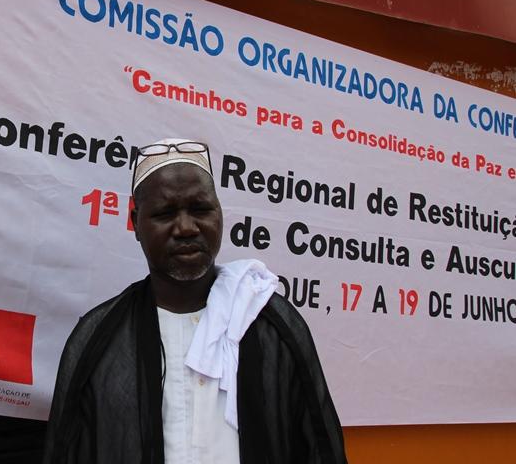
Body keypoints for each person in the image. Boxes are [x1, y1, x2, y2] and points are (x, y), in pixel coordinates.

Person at [43, 139, 347, 464]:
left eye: (201, 209)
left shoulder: (273, 324)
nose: (186, 228)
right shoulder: (98, 337)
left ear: (220, 214)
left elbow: (319, 447)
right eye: (165, 213)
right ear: (135, 222)